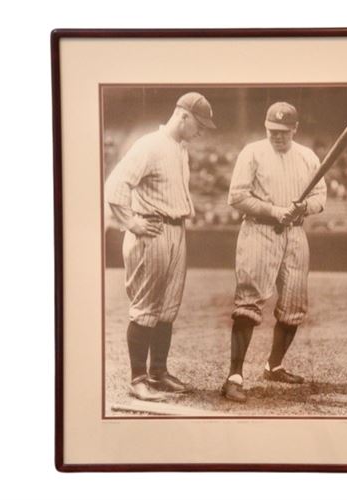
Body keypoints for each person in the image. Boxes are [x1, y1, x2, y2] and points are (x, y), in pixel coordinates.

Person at [104, 92, 216, 401]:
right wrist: (132, 223)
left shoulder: (179, 148)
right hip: (150, 230)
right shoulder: (149, 145)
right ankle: (138, 379)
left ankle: (158, 372)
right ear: (183, 116)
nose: (202, 132)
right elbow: (114, 187)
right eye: (199, 125)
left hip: (175, 229)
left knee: (167, 309)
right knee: (145, 309)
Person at [221, 102, 327, 403]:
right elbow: (237, 196)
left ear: (295, 128)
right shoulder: (252, 152)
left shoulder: (308, 156)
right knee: (248, 303)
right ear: (265, 127)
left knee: (294, 305)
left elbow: (321, 196)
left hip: (295, 234)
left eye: (283, 131)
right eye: (272, 131)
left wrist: (305, 207)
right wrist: (274, 210)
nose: (277, 137)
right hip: (259, 230)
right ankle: (234, 377)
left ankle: (274, 365)